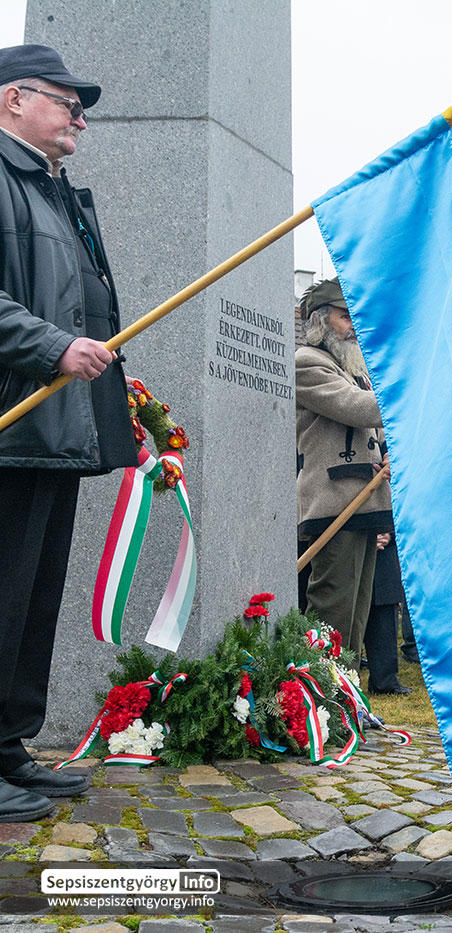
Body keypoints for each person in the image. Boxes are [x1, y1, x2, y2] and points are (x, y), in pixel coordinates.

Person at [0, 45, 126, 819]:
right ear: (13, 99)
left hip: (52, 430)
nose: (80, 117)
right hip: (10, 426)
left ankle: (9, 743)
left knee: (32, 599)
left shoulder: (52, 190)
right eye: (66, 101)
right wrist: (53, 347)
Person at [295, 278, 393, 662]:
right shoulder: (306, 362)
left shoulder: (352, 369)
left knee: (355, 615)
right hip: (333, 502)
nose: (354, 325)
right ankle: (318, 691)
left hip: (365, 499)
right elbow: (357, 408)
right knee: (332, 610)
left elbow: (378, 431)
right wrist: (407, 396)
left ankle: (345, 690)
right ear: (321, 320)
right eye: (344, 316)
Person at [364, 531, 413, 695]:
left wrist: (389, 534)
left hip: (384, 555)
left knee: (384, 614)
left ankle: (384, 681)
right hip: (349, 541)